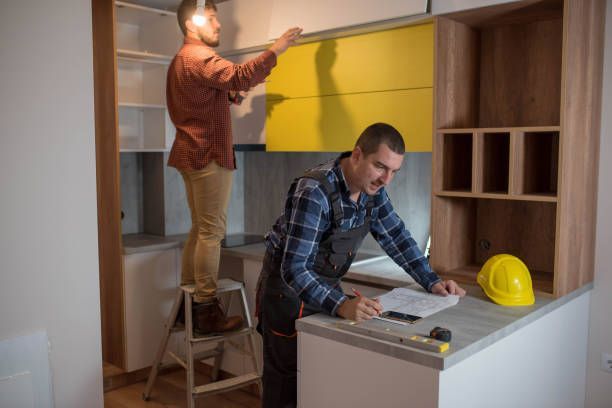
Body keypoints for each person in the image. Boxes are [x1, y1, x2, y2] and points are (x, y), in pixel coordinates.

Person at [257, 122, 466, 407]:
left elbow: (396, 236)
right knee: (287, 386)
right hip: (287, 294)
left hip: (327, 290)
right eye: (380, 167)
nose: (386, 179)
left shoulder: (373, 192)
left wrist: (432, 281)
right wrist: (340, 304)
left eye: (394, 171)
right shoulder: (314, 191)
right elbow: (294, 268)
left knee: (321, 380)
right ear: (357, 155)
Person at [167, 0, 302, 335]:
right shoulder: (198, 57)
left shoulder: (181, 60)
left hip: (190, 153)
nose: (218, 25)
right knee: (211, 232)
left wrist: (230, 96)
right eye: (211, 18)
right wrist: (278, 48)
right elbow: (240, 74)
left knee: (200, 230)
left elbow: (205, 97)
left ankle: (189, 303)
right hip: (208, 154)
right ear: (191, 24)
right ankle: (206, 310)